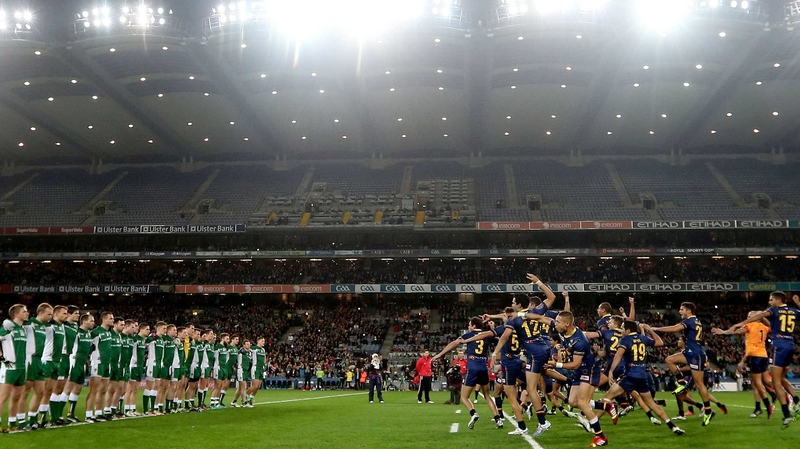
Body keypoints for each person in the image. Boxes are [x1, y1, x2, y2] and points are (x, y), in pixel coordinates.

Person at [488, 273, 557, 437]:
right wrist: (539, 282)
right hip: (544, 348)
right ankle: (542, 412)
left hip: (533, 351)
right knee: (535, 382)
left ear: (518, 304)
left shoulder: (514, 320)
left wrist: (495, 352)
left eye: (513, 303)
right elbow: (552, 296)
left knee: (530, 388)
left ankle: (542, 421)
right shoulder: (535, 310)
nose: (512, 305)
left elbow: (504, 337)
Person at [728, 290, 800, 429]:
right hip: (791, 345)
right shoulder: (793, 311)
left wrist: (739, 323)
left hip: (778, 346)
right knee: (782, 378)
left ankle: (786, 415)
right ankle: (796, 401)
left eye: (771, 299)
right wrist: (797, 303)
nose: (769, 302)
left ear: (778, 300)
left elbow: (759, 316)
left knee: (776, 381)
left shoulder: (774, 310)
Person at [546, 311, 614, 448]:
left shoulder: (579, 341)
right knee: (572, 402)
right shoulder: (563, 330)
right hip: (579, 370)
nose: (555, 323)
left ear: (567, 323)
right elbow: (544, 319)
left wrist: (556, 365)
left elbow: (575, 364)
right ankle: (606, 406)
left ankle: (601, 436)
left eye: (558, 321)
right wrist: (522, 315)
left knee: (583, 403)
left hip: (588, 369)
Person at [606, 321, 685, 436]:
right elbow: (660, 342)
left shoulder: (625, 340)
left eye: (622, 328)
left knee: (607, 398)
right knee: (651, 403)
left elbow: (618, 356)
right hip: (642, 376)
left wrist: (611, 371)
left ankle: (593, 423)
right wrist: (650, 330)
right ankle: (672, 426)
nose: (621, 330)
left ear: (628, 331)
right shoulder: (642, 338)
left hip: (630, 376)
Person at [652, 302, 717, 426]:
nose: (680, 312)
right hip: (689, 353)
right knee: (669, 360)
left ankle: (708, 410)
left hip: (696, 354)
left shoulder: (690, 321)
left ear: (689, 311)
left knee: (699, 384)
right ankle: (681, 382)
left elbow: (674, 329)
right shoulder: (696, 321)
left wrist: (656, 328)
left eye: (682, 309)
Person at [432, 317, 499, 429]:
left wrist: (439, 354)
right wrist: (493, 329)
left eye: (469, 325)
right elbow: (500, 339)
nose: (468, 327)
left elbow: (454, 343)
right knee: (487, 395)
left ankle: (473, 413)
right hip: (484, 368)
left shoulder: (469, 335)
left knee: (464, 397)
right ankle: (498, 419)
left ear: (473, 326)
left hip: (472, 368)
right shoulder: (487, 335)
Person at [712, 311, 774, 418]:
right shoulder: (764, 327)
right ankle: (779, 393)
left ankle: (768, 405)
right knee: (766, 381)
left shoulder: (749, 325)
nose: (747, 317)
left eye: (750, 316)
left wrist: (723, 332)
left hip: (755, 357)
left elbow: (737, 332)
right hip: (763, 355)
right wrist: (763, 318)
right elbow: (771, 327)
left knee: (757, 384)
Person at [0, 304, 31, 432]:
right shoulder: (7, 328)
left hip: (21, 367)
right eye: (24, 311)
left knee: (17, 396)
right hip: (10, 367)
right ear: (16, 314)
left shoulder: (23, 329)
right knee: (3, 397)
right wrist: (1, 357)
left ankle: (12, 423)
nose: (27, 313)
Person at [39, 305, 68, 427]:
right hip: (47, 361)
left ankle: (49, 418)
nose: (66, 315)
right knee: (43, 391)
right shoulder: (49, 326)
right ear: (56, 314)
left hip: (57, 361)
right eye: (64, 313)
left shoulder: (61, 327)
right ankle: (39, 419)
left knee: (50, 391)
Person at [66, 313, 95, 423]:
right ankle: (56, 416)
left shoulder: (88, 334)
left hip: (82, 364)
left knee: (77, 389)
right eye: (91, 321)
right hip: (74, 362)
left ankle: (70, 413)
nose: (93, 323)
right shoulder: (76, 332)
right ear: (84, 322)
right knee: (67, 389)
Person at [86, 311, 114, 423]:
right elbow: (87, 346)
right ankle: (88, 414)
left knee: (103, 390)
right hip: (98, 363)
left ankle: (98, 412)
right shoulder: (95, 332)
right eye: (111, 318)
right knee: (94, 390)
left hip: (107, 364)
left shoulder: (109, 333)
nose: (112, 320)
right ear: (104, 319)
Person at [245, 337, 266, 407]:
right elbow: (246, 349)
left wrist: (264, 365)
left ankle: (250, 400)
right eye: (262, 341)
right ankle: (244, 397)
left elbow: (264, 359)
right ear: (258, 341)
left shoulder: (263, 350)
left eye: (264, 341)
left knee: (258, 387)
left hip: (261, 369)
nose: (263, 342)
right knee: (255, 386)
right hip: (255, 368)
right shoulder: (254, 348)